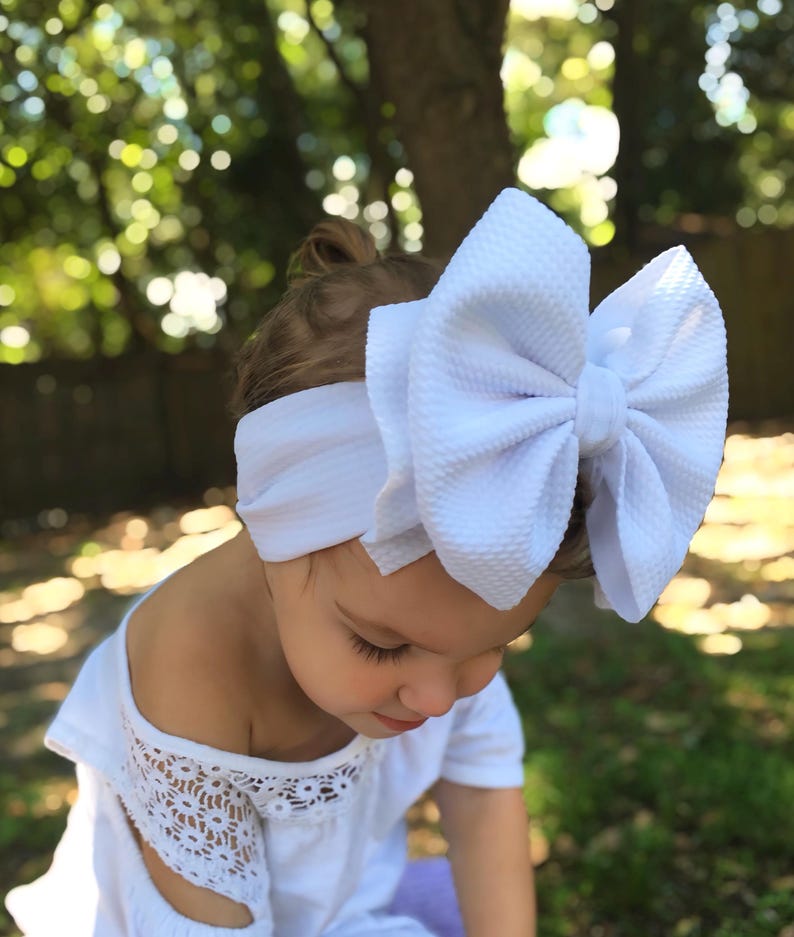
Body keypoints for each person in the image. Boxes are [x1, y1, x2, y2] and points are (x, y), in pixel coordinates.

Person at [5, 188, 728, 937]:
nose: (438, 696)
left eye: (494, 647)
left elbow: (483, 797)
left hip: (342, 910)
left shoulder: (438, 622)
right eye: (380, 645)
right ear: (273, 530)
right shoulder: (190, 665)